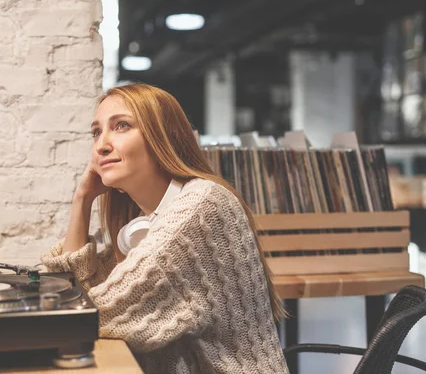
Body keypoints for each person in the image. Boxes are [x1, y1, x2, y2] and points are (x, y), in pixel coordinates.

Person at [41, 83, 289, 373]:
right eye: (97, 132)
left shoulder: (202, 204)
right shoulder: (143, 221)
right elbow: (68, 296)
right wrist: (82, 200)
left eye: (121, 126)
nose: (101, 144)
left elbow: (84, 315)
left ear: (164, 138)